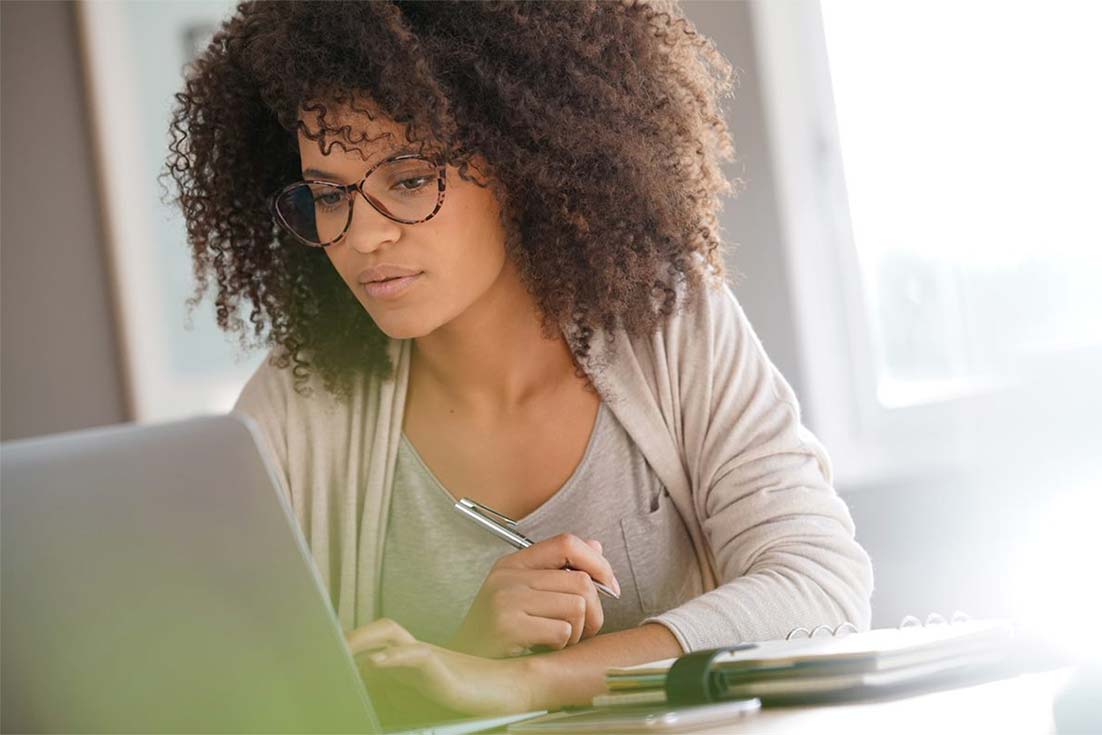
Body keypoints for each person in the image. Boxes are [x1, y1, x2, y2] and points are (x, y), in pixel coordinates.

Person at [165, 0, 873, 724]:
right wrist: (459, 655)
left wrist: (531, 682)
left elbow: (821, 588)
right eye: (326, 194)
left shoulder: (664, 321)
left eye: (408, 180)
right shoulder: (292, 412)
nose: (364, 235)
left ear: (521, 159)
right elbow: (236, 710)